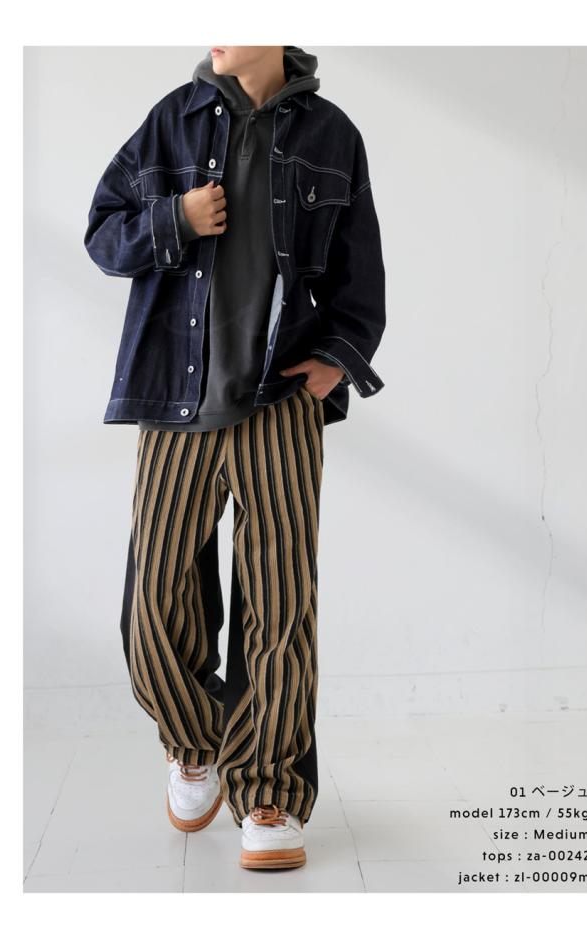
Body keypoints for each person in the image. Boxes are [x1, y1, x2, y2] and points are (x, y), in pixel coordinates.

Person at [84, 45, 386, 871]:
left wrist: (338, 359)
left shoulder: (332, 135)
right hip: (175, 403)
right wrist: (175, 219)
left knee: (280, 607)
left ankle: (269, 791)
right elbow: (103, 237)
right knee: (152, 603)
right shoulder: (171, 121)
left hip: (279, 402)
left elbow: (360, 273)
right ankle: (200, 742)